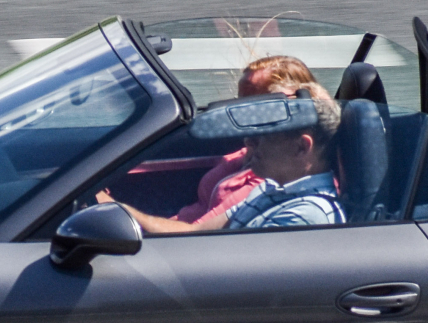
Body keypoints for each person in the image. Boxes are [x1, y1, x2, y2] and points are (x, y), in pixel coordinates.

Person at [104, 84, 343, 234]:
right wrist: (118, 211)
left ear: (302, 147)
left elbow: (230, 278)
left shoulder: (306, 216)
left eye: (264, 136)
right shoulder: (272, 189)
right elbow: (193, 234)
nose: (249, 143)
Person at [171, 53, 319, 225]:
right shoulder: (245, 153)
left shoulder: (271, 172)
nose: (240, 110)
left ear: (284, 105)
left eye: (252, 103)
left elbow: (197, 232)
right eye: (239, 101)